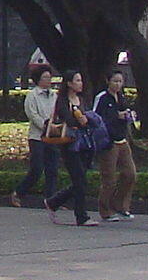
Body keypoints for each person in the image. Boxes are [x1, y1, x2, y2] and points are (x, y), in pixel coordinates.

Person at [90, 67, 140, 221]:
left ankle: (122, 206)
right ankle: (106, 210)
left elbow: (126, 113)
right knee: (109, 178)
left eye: (120, 82)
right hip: (108, 142)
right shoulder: (103, 98)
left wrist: (129, 116)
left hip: (122, 140)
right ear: (108, 81)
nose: (118, 85)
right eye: (115, 81)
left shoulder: (121, 97)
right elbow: (96, 118)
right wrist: (115, 115)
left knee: (130, 173)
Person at [46, 72, 95, 226]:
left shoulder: (81, 99)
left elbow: (89, 118)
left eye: (81, 80)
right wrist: (79, 119)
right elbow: (69, 119)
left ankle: (54, 201)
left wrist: (85, 119)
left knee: (81, 180)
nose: (80, 83)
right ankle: (81, 216)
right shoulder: (62, 101)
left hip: (84, 142)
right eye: (77, 80)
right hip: (69, 143)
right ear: (69, 83)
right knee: (79, 179)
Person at [20, 66, 63, 204]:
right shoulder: (32, 96)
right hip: (37, 137)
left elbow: (58, 112)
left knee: (53, 169)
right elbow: (32, 114)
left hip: (52, 137)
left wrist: (56, 126)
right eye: (45, 77)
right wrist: (45, 126)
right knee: (37, 168)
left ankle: (51, 200)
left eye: (49, 76)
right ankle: (19, 192)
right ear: (38, 79)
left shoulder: (54, 95)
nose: (48, 80)